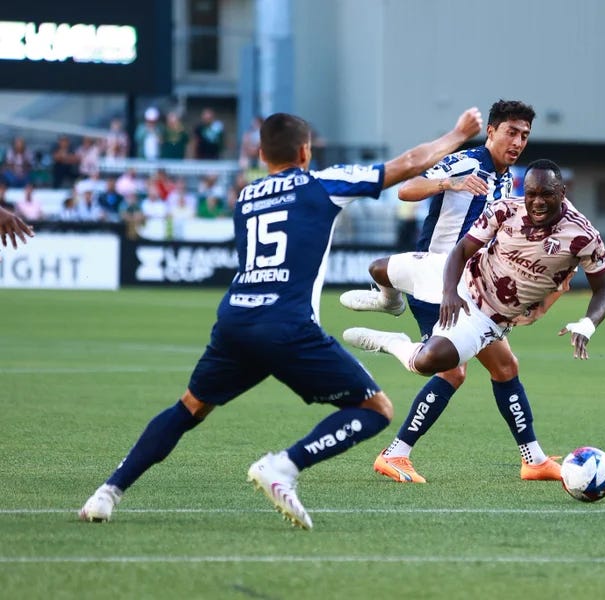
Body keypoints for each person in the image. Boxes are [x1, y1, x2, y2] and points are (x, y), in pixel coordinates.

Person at [78, 106, 483, 528]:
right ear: (305, 151)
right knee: (375, 409)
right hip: (288, 325)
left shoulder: (246, 196)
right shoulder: (322, 184)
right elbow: (405, 166)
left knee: (189, 408)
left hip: (236, 320)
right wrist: (456, 134)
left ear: (262, 155)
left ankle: (106, 493)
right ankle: (284, 467)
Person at [343, 160, 605, 481]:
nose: (538, 201)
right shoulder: (505, 209)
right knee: (378, 268)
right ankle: (389, 302)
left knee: (435, 361)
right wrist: (449, 293)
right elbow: (461, 251)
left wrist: (587, 323)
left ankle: (395, 344)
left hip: (487, 317)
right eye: (531, 194)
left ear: (562, 192)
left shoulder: (583, 236)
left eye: (547, 194)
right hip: (455, 276)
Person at [341, 101, 564, 484]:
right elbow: (407, 190)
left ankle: (533, 460)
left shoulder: (508, 179)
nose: (518, 141)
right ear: (491, 131)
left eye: (524, 135)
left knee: (505, 367)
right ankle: (395, 452)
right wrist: (449, 183)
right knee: (453, 371)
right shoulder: (466, 162)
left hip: (475, 288)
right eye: (511, 132)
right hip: (436, 282)